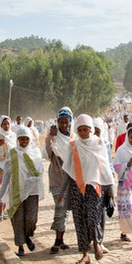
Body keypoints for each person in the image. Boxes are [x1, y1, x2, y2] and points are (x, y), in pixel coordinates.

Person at [62, 114, 115, 264]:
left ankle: (97, 243)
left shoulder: (99, 144)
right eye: (80, 130)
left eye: (86, 129)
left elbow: (105, 167)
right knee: (80, 221)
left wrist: (110, 189)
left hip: (94, 188)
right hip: (77, 188)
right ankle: (85, 253)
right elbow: (68, 169)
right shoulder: (73, 145)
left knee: (93, 218)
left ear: (91, 129)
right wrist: (61, 192)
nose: (83, 133)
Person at [0, 125, 45, 257]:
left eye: (26, 139)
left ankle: (28, 236)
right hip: (16, 191)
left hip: (32, 191)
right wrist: (0, 195)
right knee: (18, 219)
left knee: (31, 219)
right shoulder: (13, 153)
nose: (24, 142)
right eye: (21, 139)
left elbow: (40, 171)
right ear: (18, 139)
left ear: (30, 139)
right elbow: (7, 175)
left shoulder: (36, 152)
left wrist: (31, 180)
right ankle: (21, 246)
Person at [45, 107, 74, 254]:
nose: (64, 125)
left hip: (70, 178)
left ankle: (60, 239)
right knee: (60, 206)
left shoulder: (74, 138)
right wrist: (50, 137)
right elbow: (47, 154)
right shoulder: (53, 138)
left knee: (66, 210)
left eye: (66, 122)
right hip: (57, 177)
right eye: (61, 122)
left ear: (70, 122)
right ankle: (57, 239)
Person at [94, 117, 114, 254]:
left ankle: (99, 241)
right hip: (89, 183)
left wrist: (111, 189)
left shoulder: (106, 144)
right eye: (93, 131)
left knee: (101, 212)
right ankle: (92, 240)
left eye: (97, 132)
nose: (95, 135)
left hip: (103, 182)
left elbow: (109, 164)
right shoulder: (84, 144)